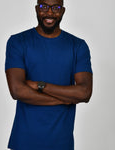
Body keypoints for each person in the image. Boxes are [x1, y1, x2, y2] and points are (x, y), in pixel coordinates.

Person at [5, 0, 93, 150]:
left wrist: (41, 85)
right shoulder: (18, 42)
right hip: (24, 142)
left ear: (63, 11)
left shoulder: (78, 46)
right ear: (36, 9)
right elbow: (17, 90)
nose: (50, 12)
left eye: (56, 7)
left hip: (61, 143)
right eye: (44, 6)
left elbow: (84, 93)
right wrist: (65, 99)